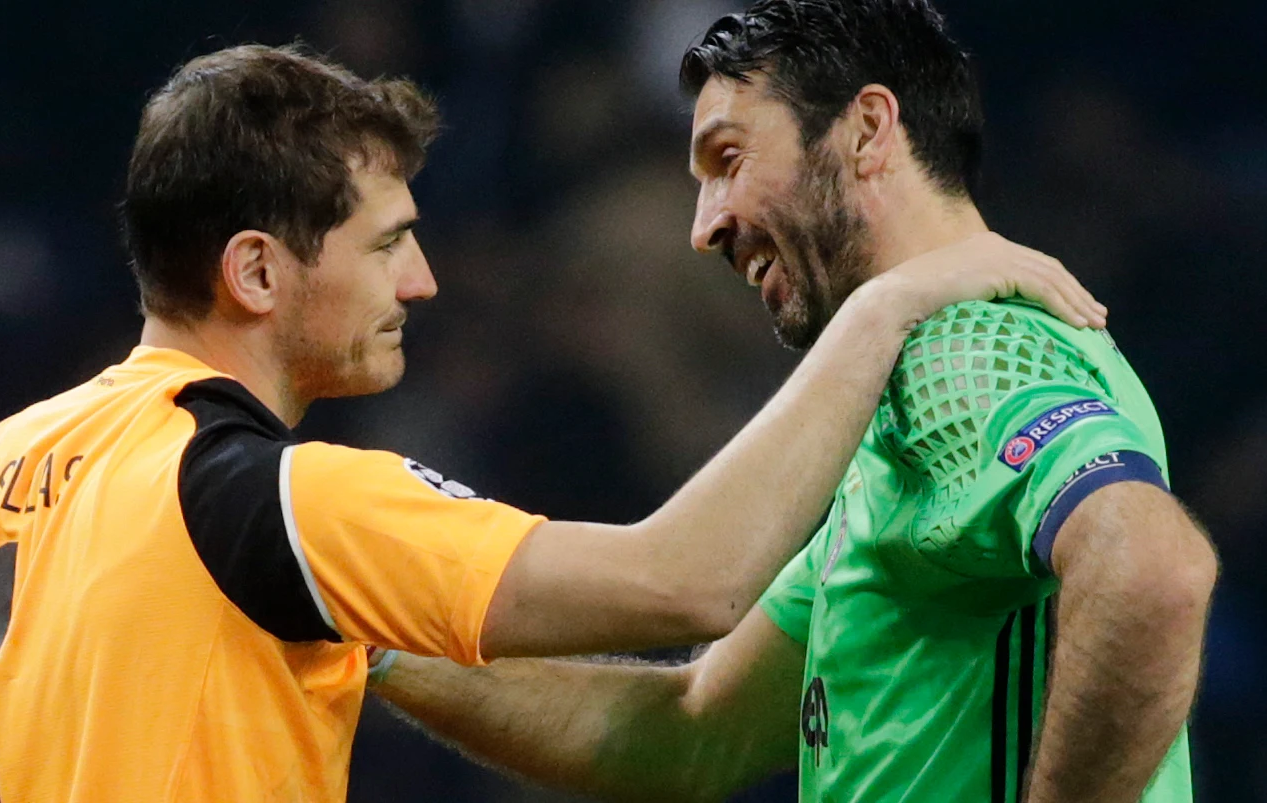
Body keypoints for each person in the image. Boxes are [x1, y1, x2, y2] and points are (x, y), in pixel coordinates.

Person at [0, 42, 1100, 803]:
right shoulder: (270, 497)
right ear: (258, 273)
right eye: (388, 244)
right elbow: (686, 581)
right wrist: (883, 312)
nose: (422, 282)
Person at [371, 3, 1218, 803]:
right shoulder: (898, 394)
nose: (705, 225)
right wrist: (369, 644)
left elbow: (1154, 572)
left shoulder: (971, 351)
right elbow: (690, 729)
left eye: (729, 159)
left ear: (869, 129)